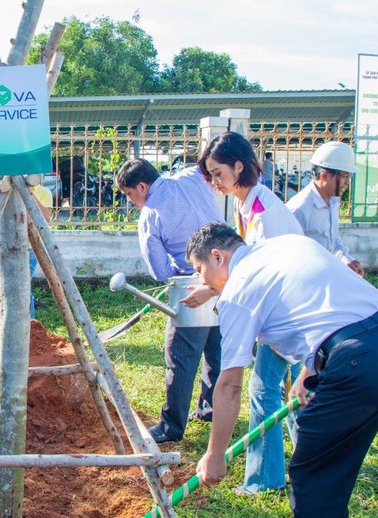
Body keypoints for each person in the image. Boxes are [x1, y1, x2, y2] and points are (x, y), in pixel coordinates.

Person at [188, 223, 378, 518]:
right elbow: (320, 304)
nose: (203, 281)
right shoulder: (287, 244)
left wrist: (214, 455)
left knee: (313, 478)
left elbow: (229, 386)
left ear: (217, 256)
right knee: (328, 469)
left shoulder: (237, 291)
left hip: (356, 364)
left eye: (200, 270)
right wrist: (307, 373)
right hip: (364, 343)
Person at [197, 131, 304, 495]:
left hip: (286, 312)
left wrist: (213, 288)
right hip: (281, 315)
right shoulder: (246, 205)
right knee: (295, 391)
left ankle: (264, 478)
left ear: (238, 166)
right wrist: (211, 286)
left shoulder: (267, 212)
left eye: (217, 172)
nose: (214, 181)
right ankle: (303, 460)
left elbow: (267, 274)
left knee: (263, 391)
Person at [115, 158, 223, 444]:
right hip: (227, 278)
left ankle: (170, 427)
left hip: (193, 286)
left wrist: (184, 271)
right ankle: (211, 409)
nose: (131, 201)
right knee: (217, 349)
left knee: (181, 358)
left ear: (142, 186)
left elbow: (160, 271)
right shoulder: (190, 177)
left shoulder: (150, 215)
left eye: (129, 194)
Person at [286, 141, 364, 276]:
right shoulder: (299, 210)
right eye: (345, 176)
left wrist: (347, 260)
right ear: (324, 176)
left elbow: (334, 241)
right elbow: (289, 257)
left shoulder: (332, 200)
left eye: (348, 177)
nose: (347, 182)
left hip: (327, 277)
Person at [0, 176, 53, 319]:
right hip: (9, 244)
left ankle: (31, 322)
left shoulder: (43, 192)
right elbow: (12, 219)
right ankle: (30, 301)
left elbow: (46, 217)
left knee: (22, 288)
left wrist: (28, 194)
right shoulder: (10, 190)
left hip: (29, 248)